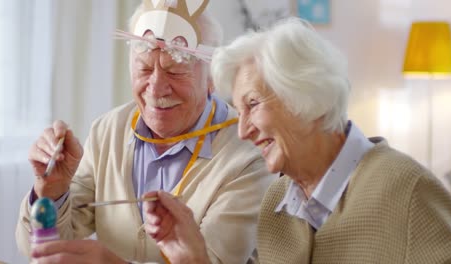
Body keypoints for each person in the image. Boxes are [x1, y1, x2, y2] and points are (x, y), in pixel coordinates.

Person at [142, 17, 451, 263]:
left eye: (252, 105)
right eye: (238, 111)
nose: (242, 131)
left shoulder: (407, 190)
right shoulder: (277, 202)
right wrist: (195, 257)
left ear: (306, 96)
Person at [16, 1, 277, 263]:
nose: (156, 88)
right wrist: (51, 191)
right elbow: (41, 251)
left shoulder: (249, 156)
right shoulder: (108, 130)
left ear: (212, 78)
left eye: (174, 71)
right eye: (143, 68)